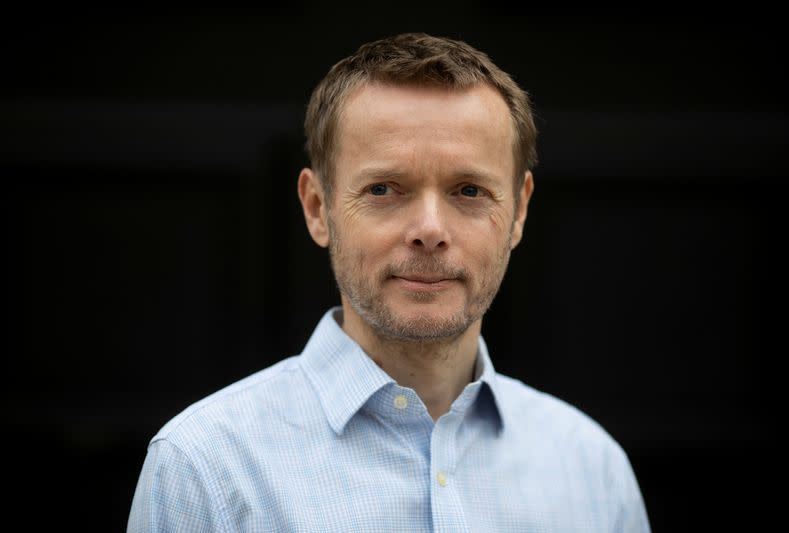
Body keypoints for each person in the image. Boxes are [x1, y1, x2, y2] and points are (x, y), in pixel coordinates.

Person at [127, 32, 651, 532]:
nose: (429, 230)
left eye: (468, 190)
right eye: (383, 188)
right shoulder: (204, 467)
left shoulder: (593, 470)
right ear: (317, 208)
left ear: (518, 212)